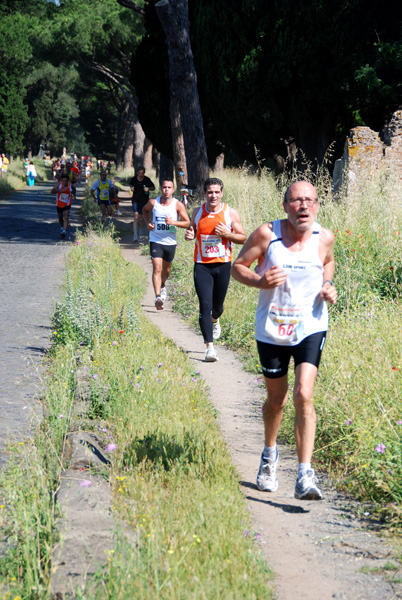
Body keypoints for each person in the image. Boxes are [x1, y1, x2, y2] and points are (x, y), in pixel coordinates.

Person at [231, 180, 337, 500]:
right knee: (276, 400)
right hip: (273, 328)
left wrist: (328, 285)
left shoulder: (325, 237)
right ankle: (269, 455)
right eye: (296, 201)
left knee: (304, 393)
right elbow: (238, 267)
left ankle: (305, 474)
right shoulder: (267, 235)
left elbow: (328, 262)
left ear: (317, 205)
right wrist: (260, 280)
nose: (303, 206)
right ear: (285, 205)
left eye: (309, 201)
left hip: (310, 324)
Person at [185, 177, 246, 362]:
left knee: (217, 307)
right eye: (210, 192)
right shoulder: (197, 212)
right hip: (202, 265)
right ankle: (209, 348)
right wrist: (189, 234)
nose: (213, 195)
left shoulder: (230, 213)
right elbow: (191, 230)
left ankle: (215, 319)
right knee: (205, 305)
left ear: (221, 193)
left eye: (217, 192)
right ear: (204, 193)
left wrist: (227, 234)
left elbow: (243, 238)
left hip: (222, 265)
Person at [142, 180, 190, 309]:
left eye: (169, 187)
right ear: (161, 189)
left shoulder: (177, 205)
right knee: (157, 267)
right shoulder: (154, 202)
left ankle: (162, 284)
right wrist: (148, 224)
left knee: (167, 270)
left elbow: (187, 223)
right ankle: (158, 297)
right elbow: (144, 210)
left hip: (170, 242)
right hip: (155, 240)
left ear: (173, 190)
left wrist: (173, 222)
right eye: (164, 187)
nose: (166, 190)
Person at [129, 166, 155, 242]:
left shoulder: (147, 180)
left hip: (144, 201)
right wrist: (131, 188)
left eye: (142, 173)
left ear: (144, 173)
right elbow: (130, 184)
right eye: (140, 173)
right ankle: (135, 235)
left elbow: (153, 187)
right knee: (136, 216)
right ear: (137, 173)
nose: (141, 175)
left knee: (141, 218)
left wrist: (148, 188)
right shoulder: (134, 179)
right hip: (135, 200)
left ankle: (141, 232)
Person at [51, 173, 73, 238]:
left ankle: (64, 231)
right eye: (63, 181)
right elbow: (51, 192)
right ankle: (62, 226)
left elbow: (73, 190)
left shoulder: (70, 185)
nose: (64, 182)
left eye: (66, 181)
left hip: (67, 203)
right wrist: (59, 191)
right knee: (60, 217)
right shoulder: (59, 184)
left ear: (68, 180)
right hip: (59, 203)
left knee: (66, 216)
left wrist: (73, 194)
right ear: (61, 180)